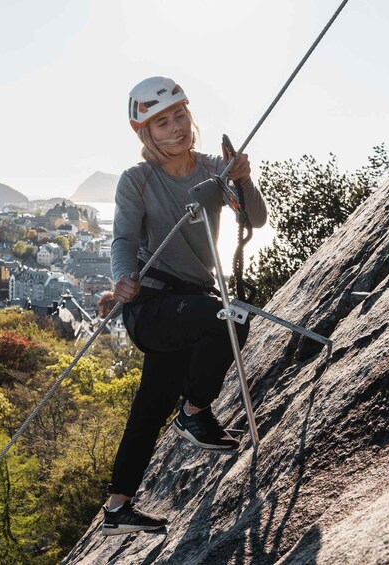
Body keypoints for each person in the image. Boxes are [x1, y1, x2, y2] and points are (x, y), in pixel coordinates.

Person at [99, 76, 268, 536]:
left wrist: (242, 178)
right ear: (144, 135)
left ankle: (117, 509)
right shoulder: (137, 179)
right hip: (152, 304)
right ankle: (195, 413)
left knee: (150, 405)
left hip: (189, 300)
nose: (174, 128)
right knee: (225, 318)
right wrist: (121, 280)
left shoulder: (215, 167)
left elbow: (254, 218)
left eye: (178, 116)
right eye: (161, 123)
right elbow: (124, 239)